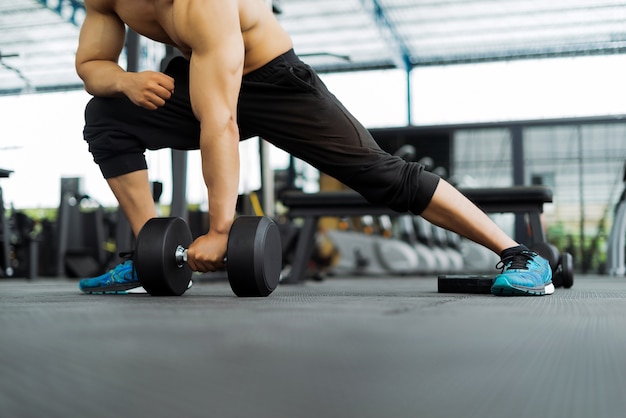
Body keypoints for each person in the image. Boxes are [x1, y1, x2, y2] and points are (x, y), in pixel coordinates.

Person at [75, 0, 552, 296]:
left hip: (275, 83)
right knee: (106, 116)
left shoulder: (204, 3)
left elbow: (219, 120)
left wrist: (222, 230)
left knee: (382, 175)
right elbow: (91, 62)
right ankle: (148, 254)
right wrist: (124, 80)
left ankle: (521, 256)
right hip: (202, 76)